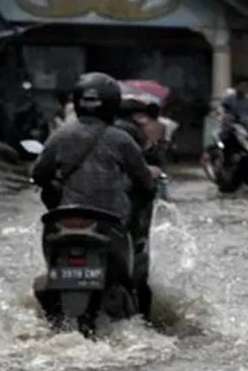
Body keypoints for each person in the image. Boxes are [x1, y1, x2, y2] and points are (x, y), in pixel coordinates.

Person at [32, 72, 157, 274]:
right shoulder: (121, 139)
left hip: (65, 220)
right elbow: (145, 180)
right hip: (112, 222)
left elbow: (38, 175)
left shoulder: (59, 135)